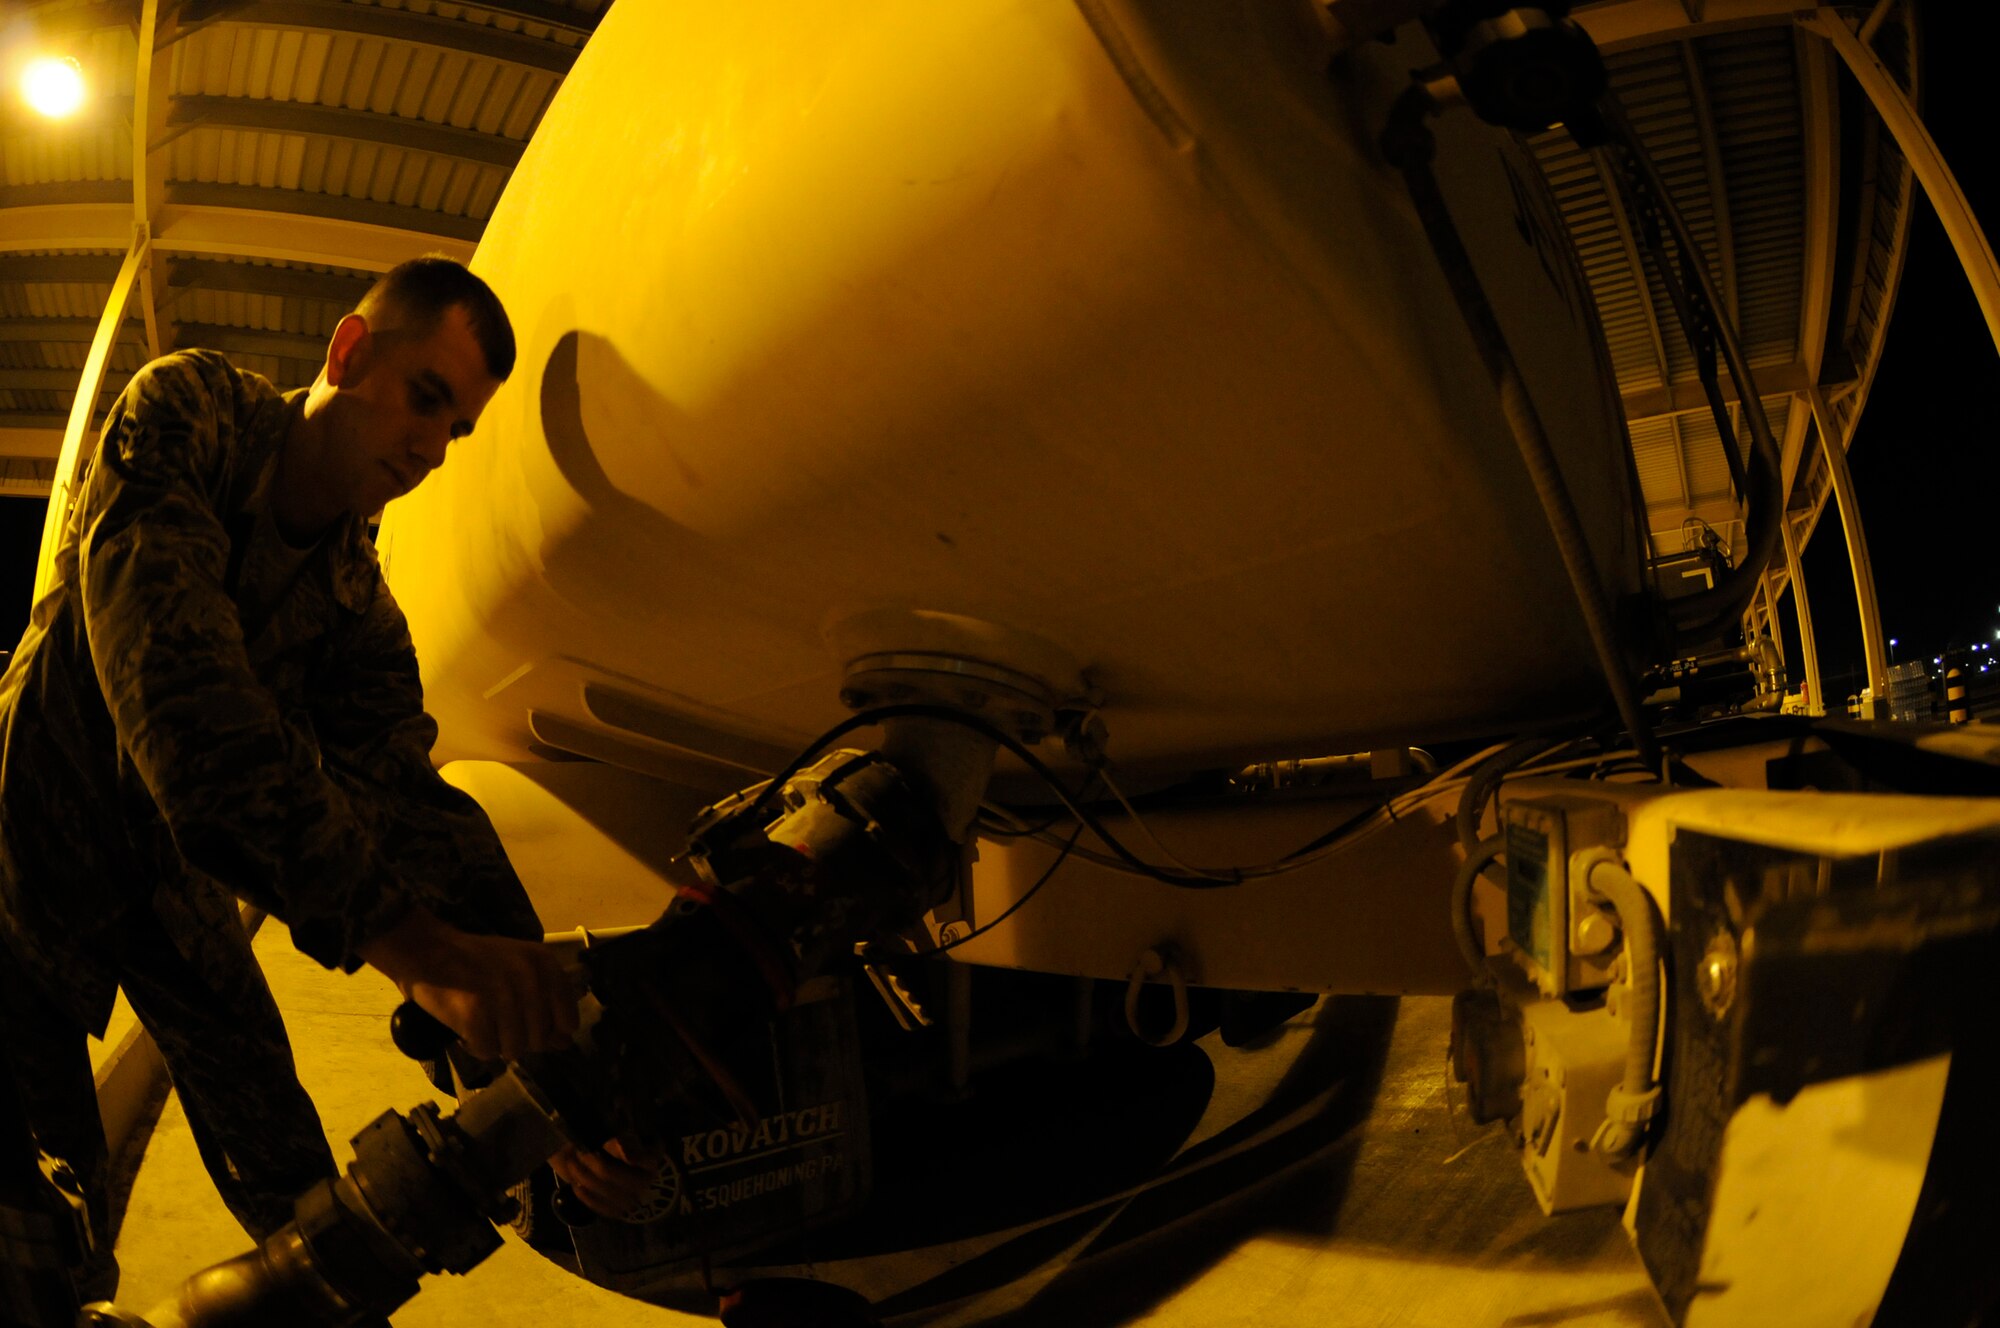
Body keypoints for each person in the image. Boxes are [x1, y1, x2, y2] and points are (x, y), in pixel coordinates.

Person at [0, 256, 591, 1301]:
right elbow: (184, 707)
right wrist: (416, 949)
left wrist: (535, 1040)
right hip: (19, 861)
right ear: (351, 352)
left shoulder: (354, 605)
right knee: (43, 1240)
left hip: (168, 883)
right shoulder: (187, 414)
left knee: (306, 1194)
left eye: (456, 430)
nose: (432, 449)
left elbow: (411, 804)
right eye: (426, 398)